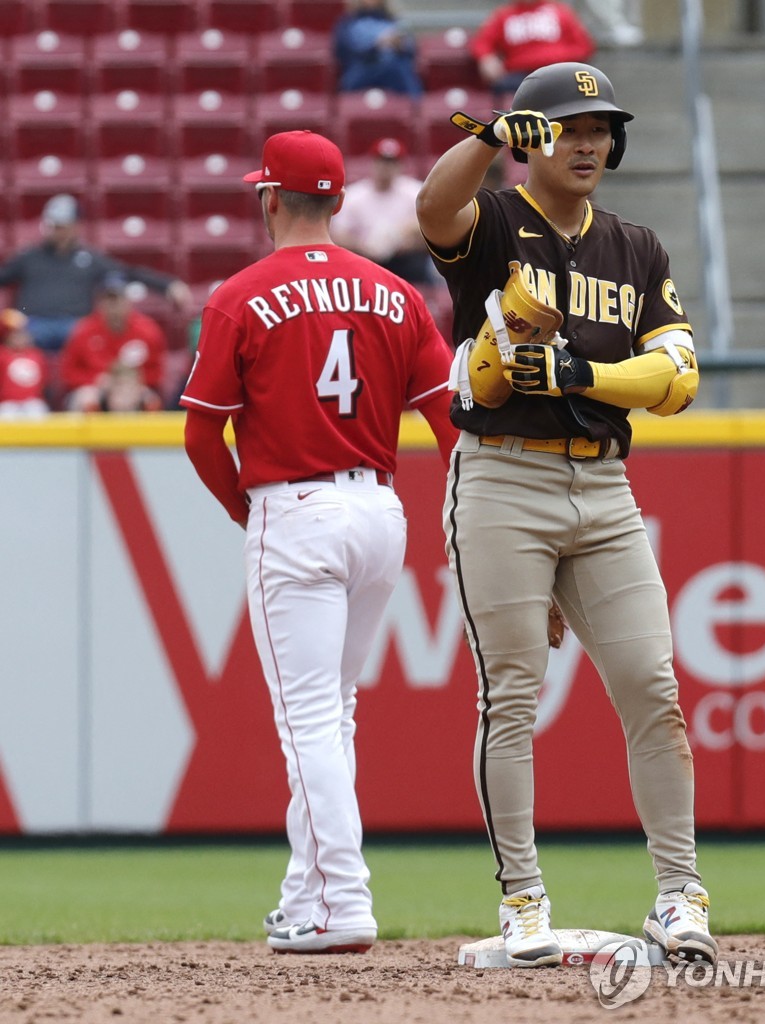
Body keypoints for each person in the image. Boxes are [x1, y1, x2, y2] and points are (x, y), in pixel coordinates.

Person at [415, 62, 716, 968]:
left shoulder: (636, 245)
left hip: (603, 488)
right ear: (535, 136)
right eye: (567, 126)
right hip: (503, 477)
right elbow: (434, 212)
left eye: (598, 129)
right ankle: (523, 902)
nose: (585, 142)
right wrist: (485, 139)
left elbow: (677, 379)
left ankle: (679, 896)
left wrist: (584, 375)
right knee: (509, 698)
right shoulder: (499, 217)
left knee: (654, 691)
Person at [179, 130, 457, 955]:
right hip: (378, 511)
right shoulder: (395, 292)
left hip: (293, 508)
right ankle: (305, 893)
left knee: (306, 721)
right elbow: (446, 420)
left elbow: (200, 437)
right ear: (337, 200)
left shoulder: (240, 293)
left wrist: (247, 513)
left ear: (271, 199)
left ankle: (343, 901)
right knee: (331, 717)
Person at [0, 194, 192, 353]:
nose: (56, 231)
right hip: (35, 325)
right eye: (53, 225)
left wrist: (167, 285)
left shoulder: (89, 259)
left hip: (75, 326)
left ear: (76, 226)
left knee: (94, 337)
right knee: (16, 335)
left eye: (61, 225)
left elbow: (127, 272)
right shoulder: (29, 256)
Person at [330, 137, 435, 285]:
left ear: (400, 165)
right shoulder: (355, 195)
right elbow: (338, 234)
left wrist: (403, 239)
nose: (385, 168)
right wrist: (362, 246)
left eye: (391, 163)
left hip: (406, 260)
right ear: (373, 163)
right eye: (382, 162)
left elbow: (434, 229)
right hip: (365, 258)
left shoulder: (415, 192)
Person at [59, 272, 167, 412]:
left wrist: (133, 383)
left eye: (117, 299)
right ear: (99, 303)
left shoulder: (148, 331)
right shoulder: (83, 330)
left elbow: (157, 373)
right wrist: (96, 380)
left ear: (127, 301)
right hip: (96, 388)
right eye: (108, 300)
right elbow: (68, 374)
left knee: (150, 400)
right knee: (85, 398)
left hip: (133, 387)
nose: (113, 306)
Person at [469, 1, 595, 95]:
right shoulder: (504, 16)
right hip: (520, 77)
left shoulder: (560, 12)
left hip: (558, 72)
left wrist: (556, 59)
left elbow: (584, 46)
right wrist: (486, 57)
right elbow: (481, 42)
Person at [333, 0, 423, 96]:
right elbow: (343, 50)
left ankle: (417, 108)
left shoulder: (395, 21)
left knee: (401, 69)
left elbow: (411, 50)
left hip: (394, 70)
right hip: (360, 70)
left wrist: (400, 46)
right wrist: (376, 46)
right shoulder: (347, 23)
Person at [0, 308, 49, 419]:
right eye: (14, 334)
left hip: (32, 401)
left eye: (22, 334)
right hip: (7, 402)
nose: (18, 338)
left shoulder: (37, 355)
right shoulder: (2, 354)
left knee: (38, 412)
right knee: (5, 415)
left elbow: (44, 382)